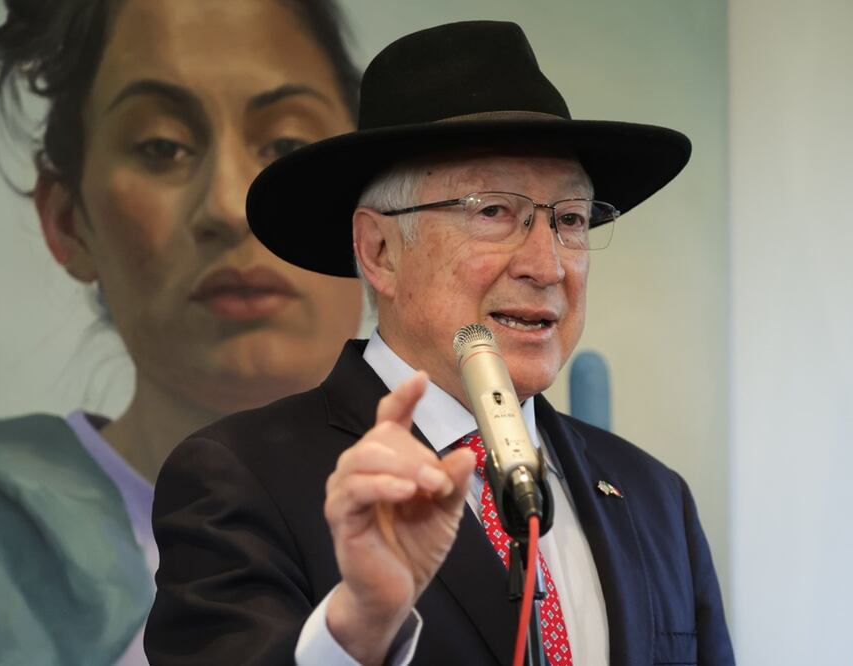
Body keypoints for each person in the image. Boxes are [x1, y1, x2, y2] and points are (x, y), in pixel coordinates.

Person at [146, 20, 734, 666]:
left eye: (568, 220)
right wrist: (360, 624)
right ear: (379, 251)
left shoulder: (654, 499)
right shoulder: (243, 478)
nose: (546, 264)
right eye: (493, 213)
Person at [0, 1, 363, 664]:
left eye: (288, 146)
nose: (231, 207)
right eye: (162, 148)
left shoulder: (514, 526)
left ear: (380, 209)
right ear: (67, 220)